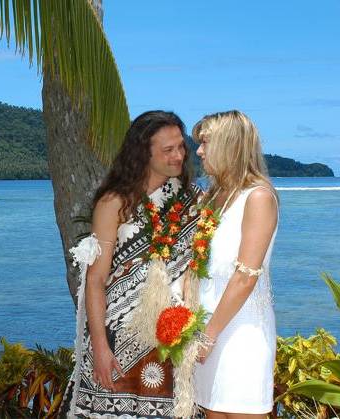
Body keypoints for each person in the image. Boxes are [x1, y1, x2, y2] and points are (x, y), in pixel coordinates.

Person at [61, 111, 200, 417]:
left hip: (171, 334)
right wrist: (99, 347)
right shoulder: (114, 203)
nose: (178, 156)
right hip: (116, 334)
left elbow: (198, 269)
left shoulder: (194, 201)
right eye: (168, 150)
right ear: (142, 154)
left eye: (181, 147)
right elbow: (96, 279)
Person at [191, 110, 278, 417]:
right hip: (206, 327)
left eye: (205, 143)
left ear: (229, 145)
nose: (199, 151)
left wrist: (208, 335)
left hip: (240, 332)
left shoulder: (258, 198)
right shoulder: (212, 198)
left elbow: (246, 276)